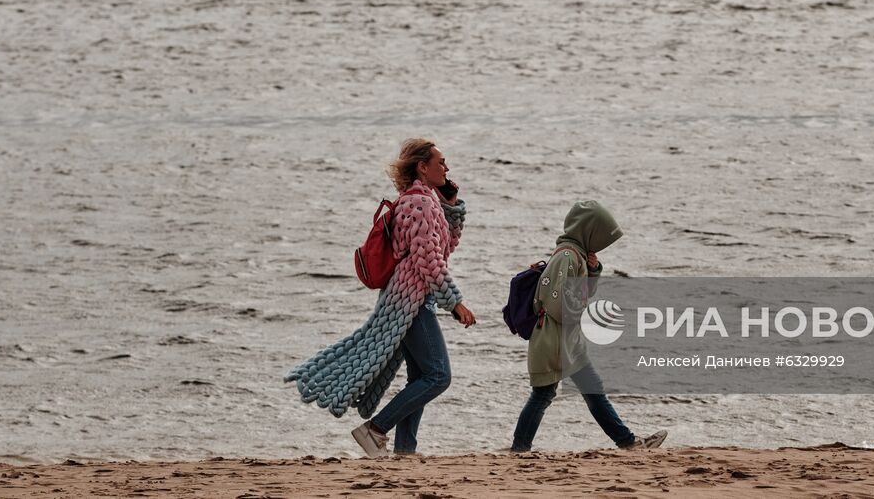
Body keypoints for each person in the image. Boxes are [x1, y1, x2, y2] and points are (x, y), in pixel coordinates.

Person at [285, 139, 475, 457]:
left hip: (414, 297)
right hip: (409, 301)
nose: (446, 167)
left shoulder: (426, 200)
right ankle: (375, 430)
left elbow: (445, 247)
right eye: (440, 162)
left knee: (421, 376)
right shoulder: (420, 205)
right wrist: (455, 302)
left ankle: (404, 451)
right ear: (422, 167)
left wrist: (451, 204)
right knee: (439, 375)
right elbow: (429, 260)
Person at [511, 200, 666, 452]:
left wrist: (593, 271)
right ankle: (519, 448)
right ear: (588, 231)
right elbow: (556, 301)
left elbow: (584, 294)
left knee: (590, 390)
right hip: (553, 340)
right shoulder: (566, 257)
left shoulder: (578, 256)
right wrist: (580, 314)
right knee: (543, 394)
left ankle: (627, 442)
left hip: (567, 341)